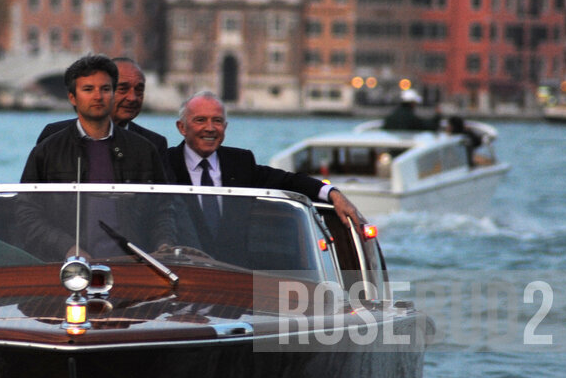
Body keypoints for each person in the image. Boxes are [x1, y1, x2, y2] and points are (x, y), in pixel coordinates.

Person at [18, 54, 169, 259]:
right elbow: (26, 212)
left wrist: (163, 244)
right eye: (88, 89)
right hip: (70, 267)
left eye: (105, 89)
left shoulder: (144, 150)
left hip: (132, 266)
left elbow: (163, 210)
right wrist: (67, 248)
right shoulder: (46, 151)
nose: (98, 96)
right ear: (73, 97)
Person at [167, 91, 366, 237]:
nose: (210, 128)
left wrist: (332, 193)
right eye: (200, 120)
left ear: (225, 127)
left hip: (233, 272)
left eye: (217, 121)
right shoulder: (163, 163)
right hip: (180, 271)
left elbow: (288, 181)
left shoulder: (241, 162)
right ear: (182, 127)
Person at [35, 57, 169, 169]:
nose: (132, 98)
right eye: (123, 89)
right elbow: (33, 189)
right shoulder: (53, 135)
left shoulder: (153, 144)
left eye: (139, 90)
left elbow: (162, 192)